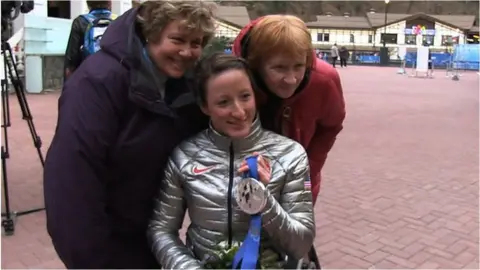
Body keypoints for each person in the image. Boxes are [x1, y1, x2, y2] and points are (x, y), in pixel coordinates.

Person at [43, 1, 216, 268]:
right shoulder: (97, 82)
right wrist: (92, 261)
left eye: (197, 43)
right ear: (151, 33)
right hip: (109, 243)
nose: (187, 52)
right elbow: (72, 183)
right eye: (178, 39)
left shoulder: (184, 83)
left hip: (151, 237)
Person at [147, 53, 315, 269]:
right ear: (205, 106)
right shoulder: (185, 156)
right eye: (223, 102)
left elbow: (300, 245)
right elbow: (161, 230)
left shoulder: (290, 155)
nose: (238, 111)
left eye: (245, 96)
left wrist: (263, 201)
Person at [232, 15, 346, 205]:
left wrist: (307, 169)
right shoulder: (233, 78)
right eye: (279, 68)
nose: (291, 79)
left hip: (298, 184)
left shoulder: (324, 80)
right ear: (256, 64)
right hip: (242, 181)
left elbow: (331, 126)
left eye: (299, 66)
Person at [63, 0, 115, 81]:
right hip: (113, 77)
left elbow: (72, 57)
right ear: (109, 3)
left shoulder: (80, 21)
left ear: (88, 4)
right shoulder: (120, 21)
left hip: (88, 77)